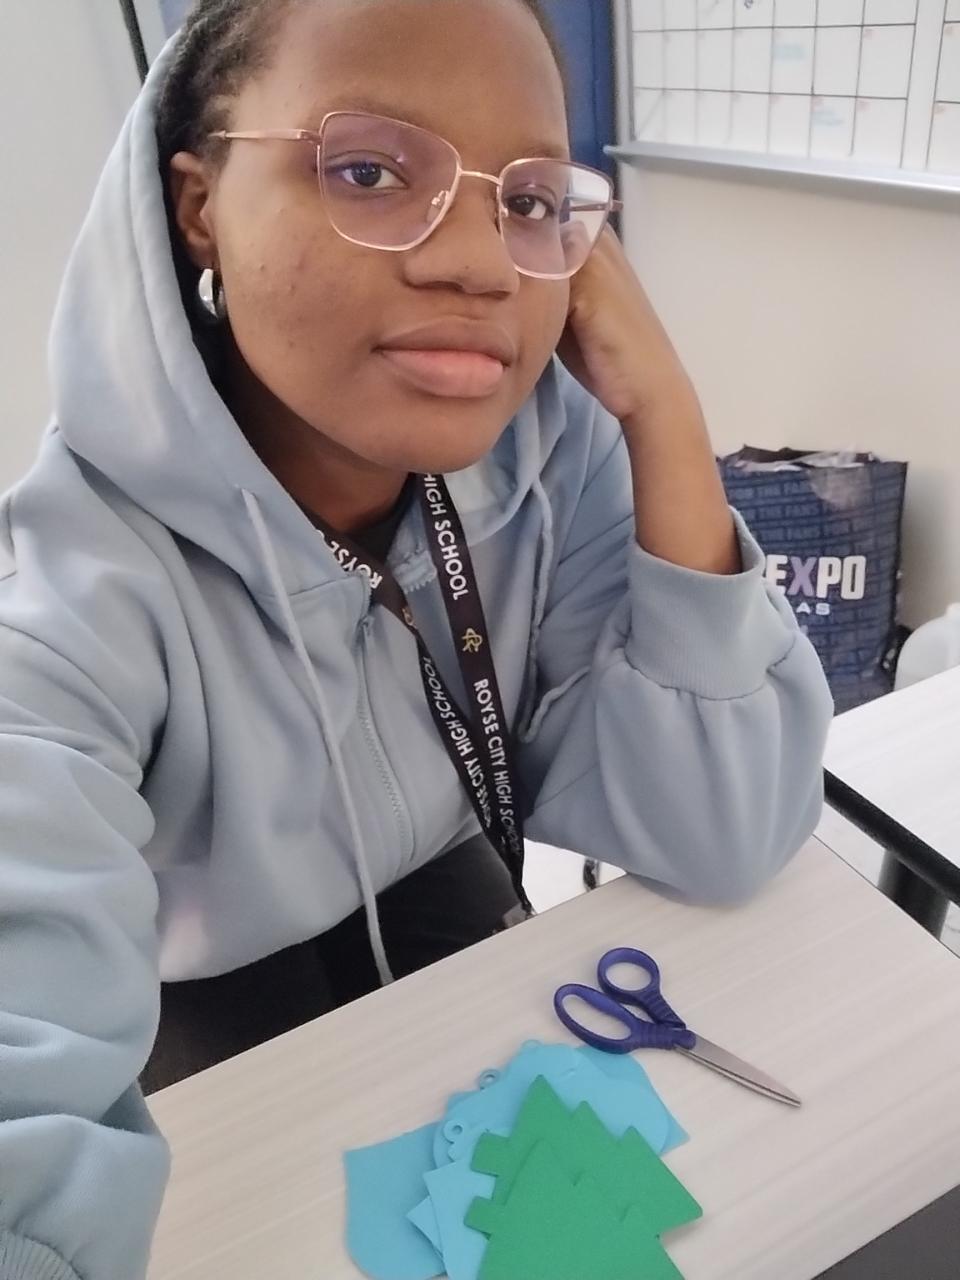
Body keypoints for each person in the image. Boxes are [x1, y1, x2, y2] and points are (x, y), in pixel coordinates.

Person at [0, 0, 832, 1276]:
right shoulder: (64, 594)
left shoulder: (548, 457)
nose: (481, 264)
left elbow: (721, 830)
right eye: (369, 171)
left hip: (449, 873)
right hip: (194, 978)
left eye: (529, 200)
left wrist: (663, 410)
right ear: (200, 203)